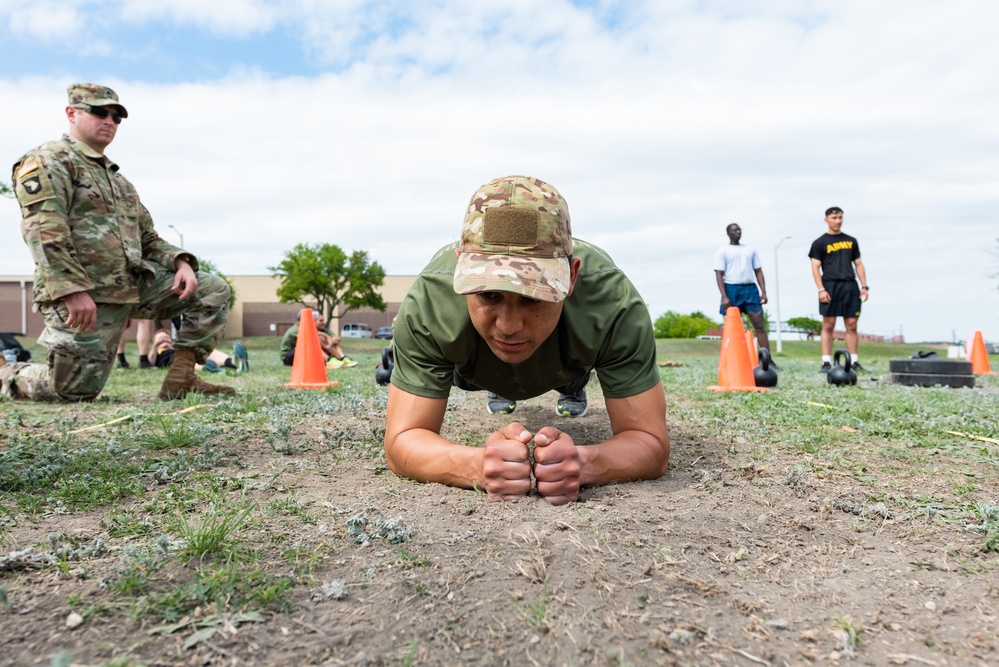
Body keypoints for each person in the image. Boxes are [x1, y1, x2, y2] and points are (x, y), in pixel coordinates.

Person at [384, 175, 669, 506]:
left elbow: (651, 443)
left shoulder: (611, 301)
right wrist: (476, 465)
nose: (508, 326)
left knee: (566, 368)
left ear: (572, 276)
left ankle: (573, 382)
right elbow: (401, 441)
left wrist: (585, 463)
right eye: (489, 295)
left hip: (567, 364)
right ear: (460, 264)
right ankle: (497, 374)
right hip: (471, 367)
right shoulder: (430, 302)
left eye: (534, 297)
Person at [1, 83, 235, 402]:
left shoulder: (119, 182)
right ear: (72, 113)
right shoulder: (50, 160)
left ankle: (181, 378)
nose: (109, 121)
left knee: (212, 290)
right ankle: (7, 373)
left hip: (130, 288)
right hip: (82, 296)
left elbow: (148, 238)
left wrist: (181, 263)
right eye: (99, 112)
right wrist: (72, 290)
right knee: (71, 391)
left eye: (116, 116)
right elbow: (44, 229)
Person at [808, 207, 869, 373]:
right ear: (826, 219)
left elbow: (858, 264)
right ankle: (826, 362)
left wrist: (864, 286)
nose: (838, 221)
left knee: (852, 324)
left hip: (849, 286)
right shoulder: (819, 243)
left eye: (840, 217)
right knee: (828, 324)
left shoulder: (851, 241)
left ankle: (853, 361)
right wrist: (821, 289)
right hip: (830, 285)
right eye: (834, 217)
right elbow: (815, 267)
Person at [713, 223, 771, 355]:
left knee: (759, 326)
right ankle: (733, 357)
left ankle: (767, 358)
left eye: (739, 230)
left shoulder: (750, 250)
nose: (737, 232)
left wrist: (764, 292)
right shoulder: (723, 251)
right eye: (734, 230)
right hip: (732, 288)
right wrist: (724, 296)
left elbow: (758, 271)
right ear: (728, 233)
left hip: (750, 289)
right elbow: (719, 274)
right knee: (733, 327)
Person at [149, 328, 248, 372]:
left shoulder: (176, 347)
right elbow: (150, 361)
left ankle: (235, 362)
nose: (164, 340)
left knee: (208, 351)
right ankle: (208, 368)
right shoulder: (157, 352)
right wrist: (155, 346)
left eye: (166, 337)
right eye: (160, 338)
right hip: (175, 360)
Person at [281, 311, 355, 367]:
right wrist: (326, 341)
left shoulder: (316, 329)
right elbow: (309, 340)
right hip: (289, 357)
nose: (323, 322)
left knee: (323, 340)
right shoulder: (297, 329)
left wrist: (329, 342)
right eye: (320, 321)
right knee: (313, 341)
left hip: (301, 354)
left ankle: (341, 358)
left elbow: (336, 338)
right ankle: (328, 360)